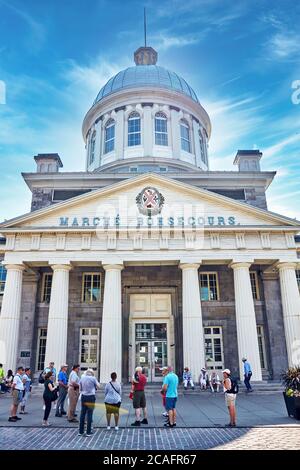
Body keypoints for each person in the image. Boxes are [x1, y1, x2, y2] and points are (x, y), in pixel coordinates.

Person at [78, 368, 100, 437]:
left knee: (82, 414)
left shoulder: (82, 378)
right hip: (91, 397)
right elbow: (98, 386)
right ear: (92, 373)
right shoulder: (93, 378)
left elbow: (80, 388)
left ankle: (81, 431)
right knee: (90, 414)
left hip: (84, 396)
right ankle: (88, 431)